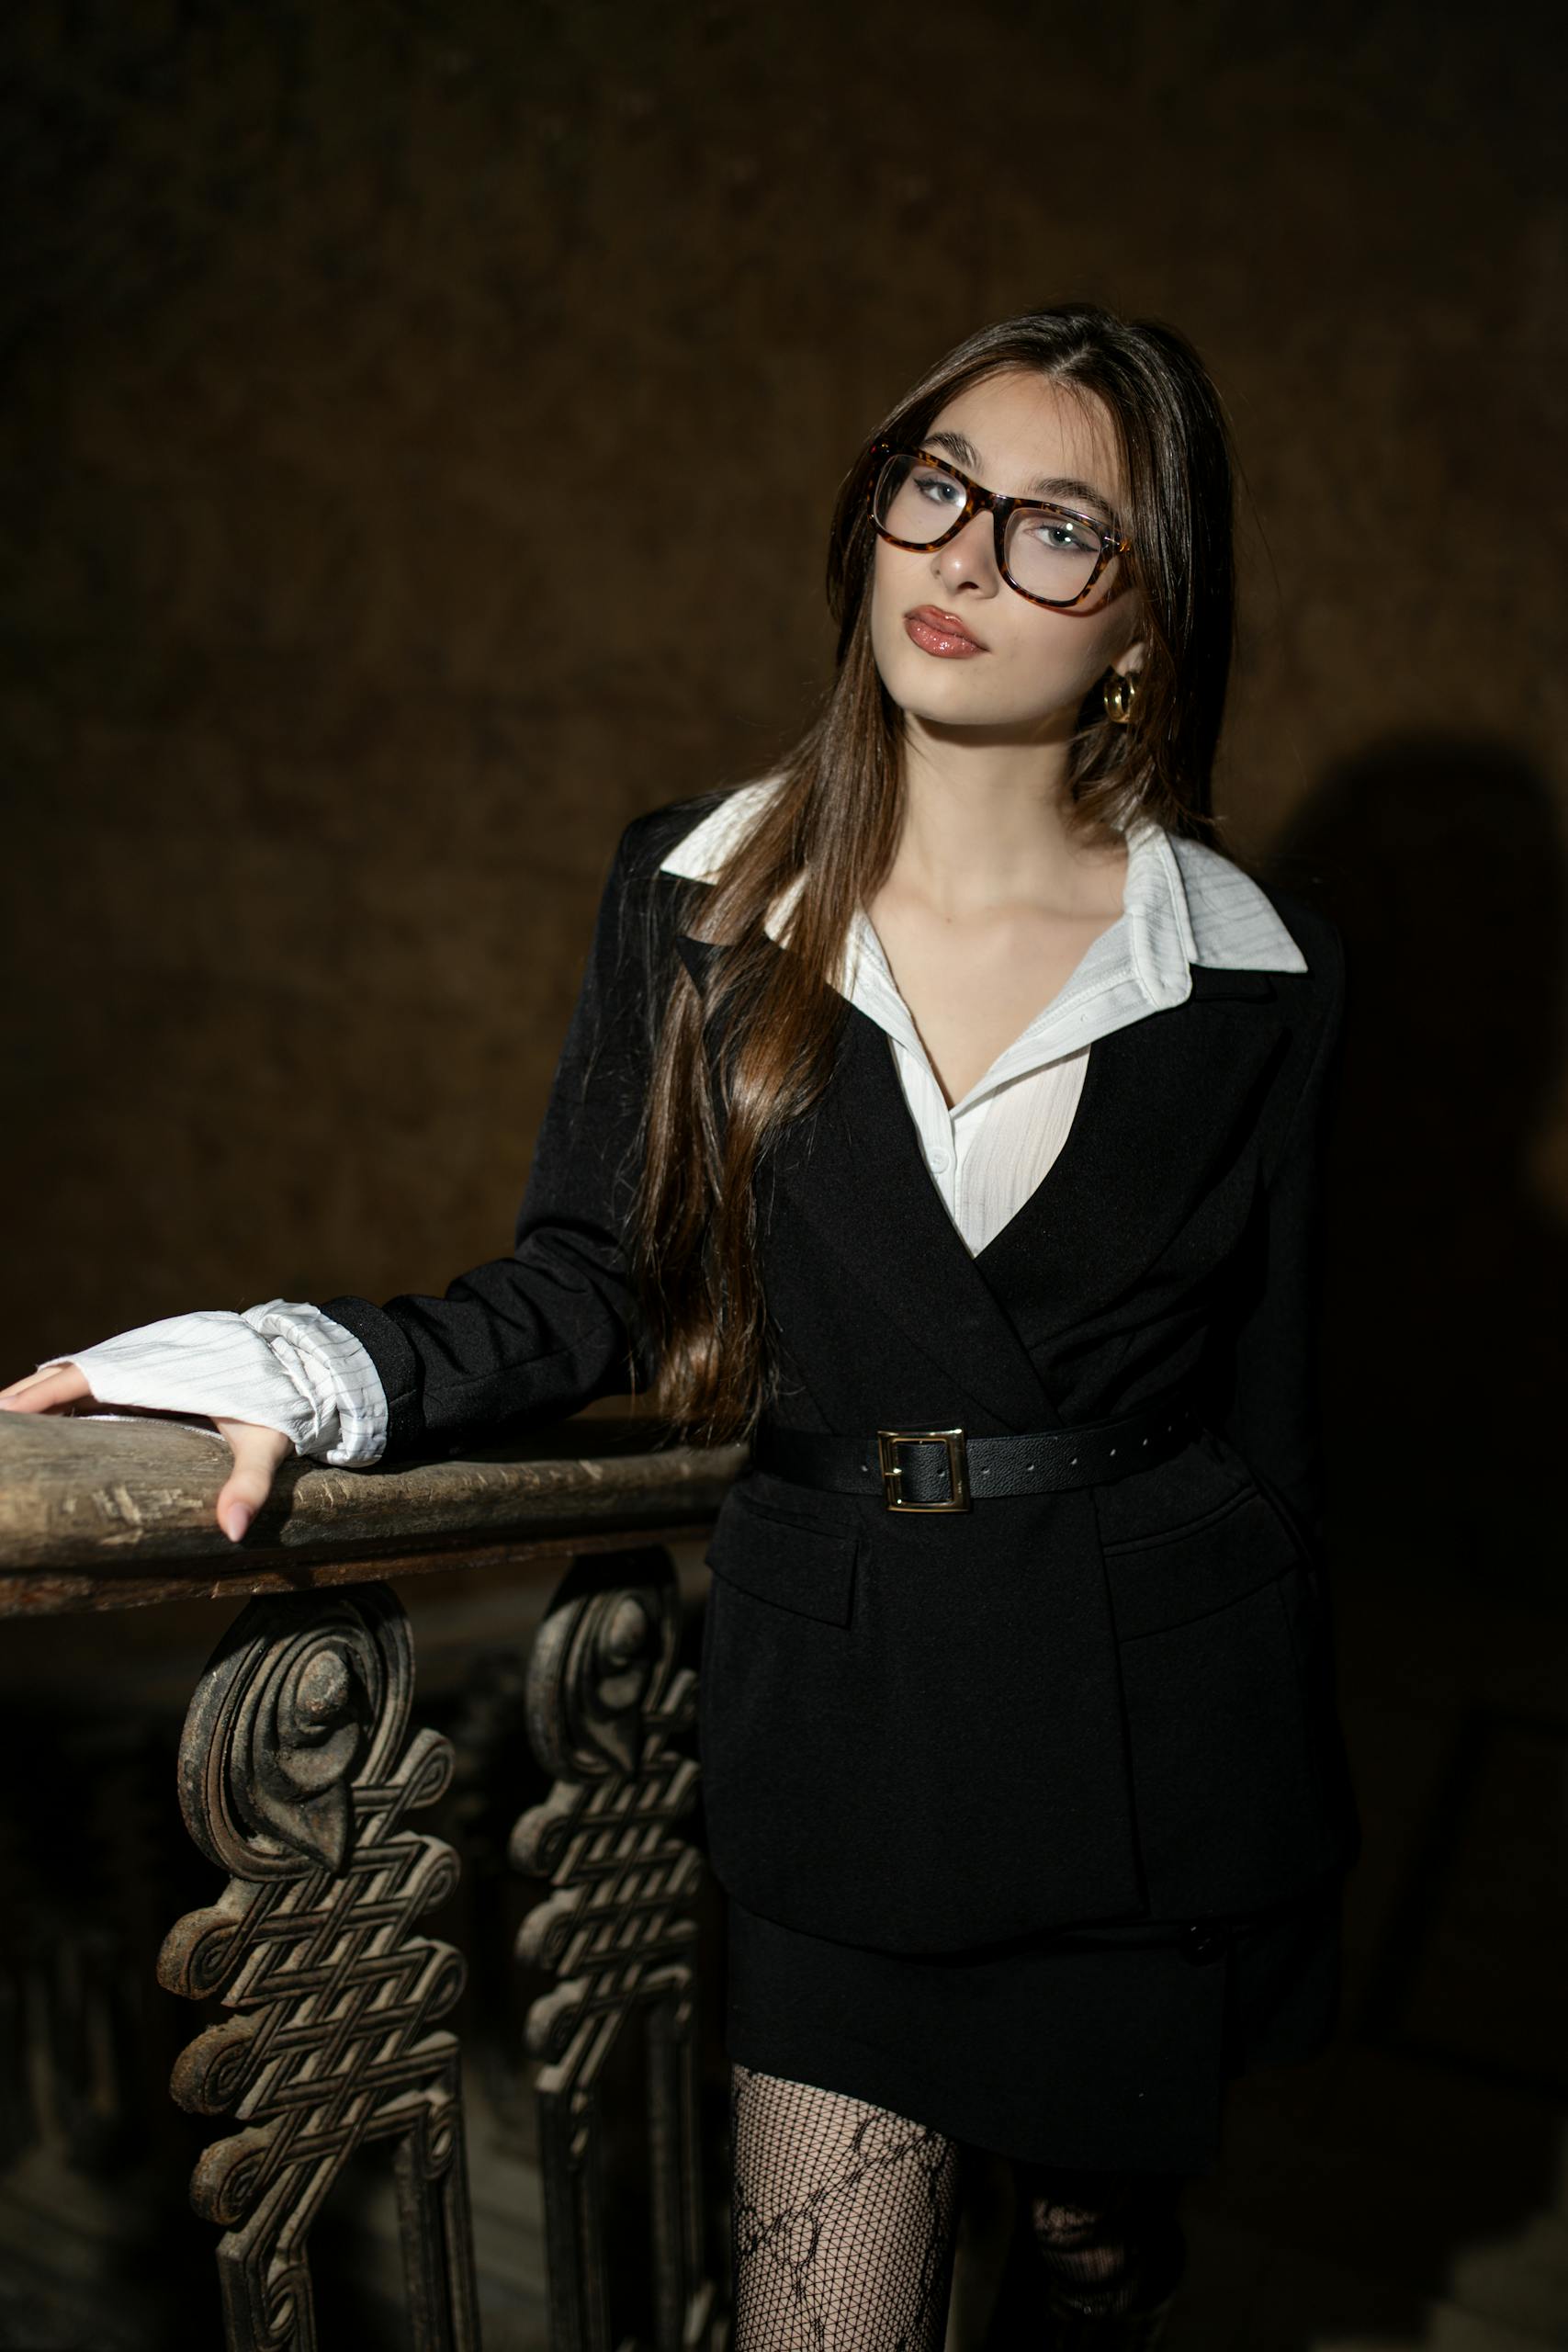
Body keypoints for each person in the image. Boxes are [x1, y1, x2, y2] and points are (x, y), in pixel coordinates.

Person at [1, 302, 1358, 2349]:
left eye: (1055, 527)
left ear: (1148, 618)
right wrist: (303, 1366)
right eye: (936, 486)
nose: (966, 556)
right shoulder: (700, 887)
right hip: (848, 1728)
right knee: (827, 2320)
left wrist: (1280, 1823)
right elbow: (589, 1274)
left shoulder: (1259, 969)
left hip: (1138, 1744)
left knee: (1092, 2263)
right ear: (874, 513)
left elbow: (1274, 1424)